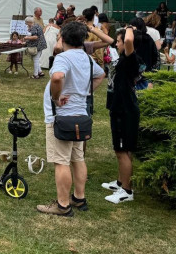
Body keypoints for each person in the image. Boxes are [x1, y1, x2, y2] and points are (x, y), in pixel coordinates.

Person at [36, 22, 105, 217]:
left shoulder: (63, 58)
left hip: (62, 117)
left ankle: (63, 205)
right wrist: (84, 94)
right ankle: (79, 197)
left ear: (63, 38)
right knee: (78, 158)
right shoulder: (87, 58)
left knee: (61, 161)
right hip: (81, 116)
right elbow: (101, 75)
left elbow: (57, 77)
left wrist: (56, 98)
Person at [102, 26, 140, 204]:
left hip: (124, 111)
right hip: (120, 108)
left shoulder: (130, 58)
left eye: (119, 41)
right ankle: (120, 182)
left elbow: (129, 40)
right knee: (123, 150)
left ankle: (126, 190)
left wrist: (129, 28)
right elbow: (112, 40)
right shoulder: (124, 58)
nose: (116, 44)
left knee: (121, 150)